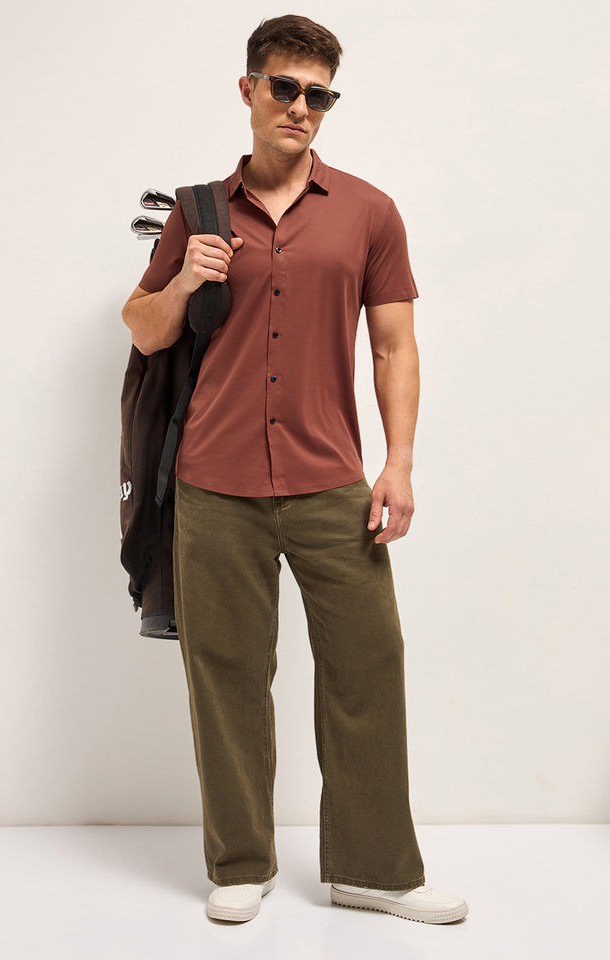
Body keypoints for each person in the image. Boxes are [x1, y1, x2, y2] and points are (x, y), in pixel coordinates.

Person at [121, 14, 468, 926]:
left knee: (368, 668)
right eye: (285, 87)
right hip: (214, 482)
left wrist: (398, 464)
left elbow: (394, 347)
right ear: (248, 90)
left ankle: (374, 870)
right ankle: (240, 864)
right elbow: (143, 330)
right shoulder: (198, 212)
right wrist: (184, 278)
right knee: (226, 677)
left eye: (320, 95)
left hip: (331, 483)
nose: (301, 107)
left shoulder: (368, 212)